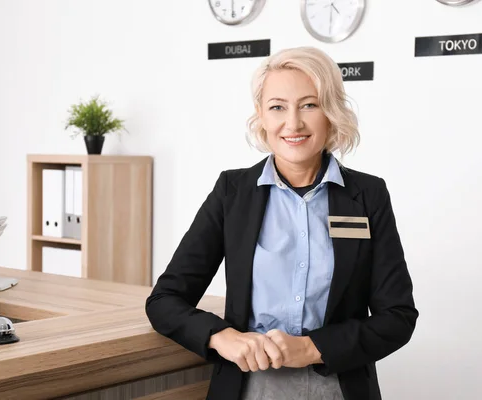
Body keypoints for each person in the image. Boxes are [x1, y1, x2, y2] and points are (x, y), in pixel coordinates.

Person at [145, 46, 418, 400]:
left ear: (331, 111)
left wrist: (311, 348)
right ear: (261, 115)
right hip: (249, 386)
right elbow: (165, 300)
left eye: (309, 104)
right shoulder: (232, 193)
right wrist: (221, 336)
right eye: (277, 107)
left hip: (339, 386)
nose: (293, 123)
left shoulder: (368, 195)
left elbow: (397, 317)